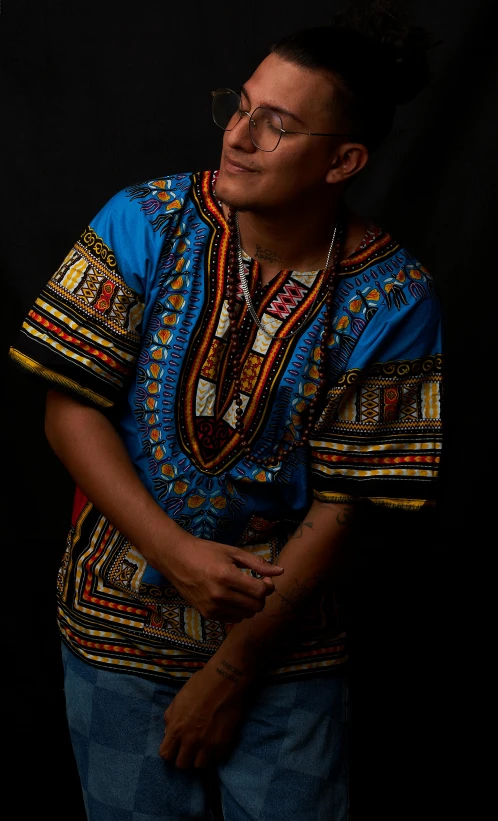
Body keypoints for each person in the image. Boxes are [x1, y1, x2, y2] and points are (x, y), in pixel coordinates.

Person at [8, 8, 442, 821]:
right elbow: (68, 411)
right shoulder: (147, 220)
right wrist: (174, 552)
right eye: (239, 107)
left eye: (276, 125)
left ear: (344, 159)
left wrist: (230, 674)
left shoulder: (394, 296)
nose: (239, 136)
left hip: (285, 648)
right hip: (117, 622)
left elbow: (348, 502)